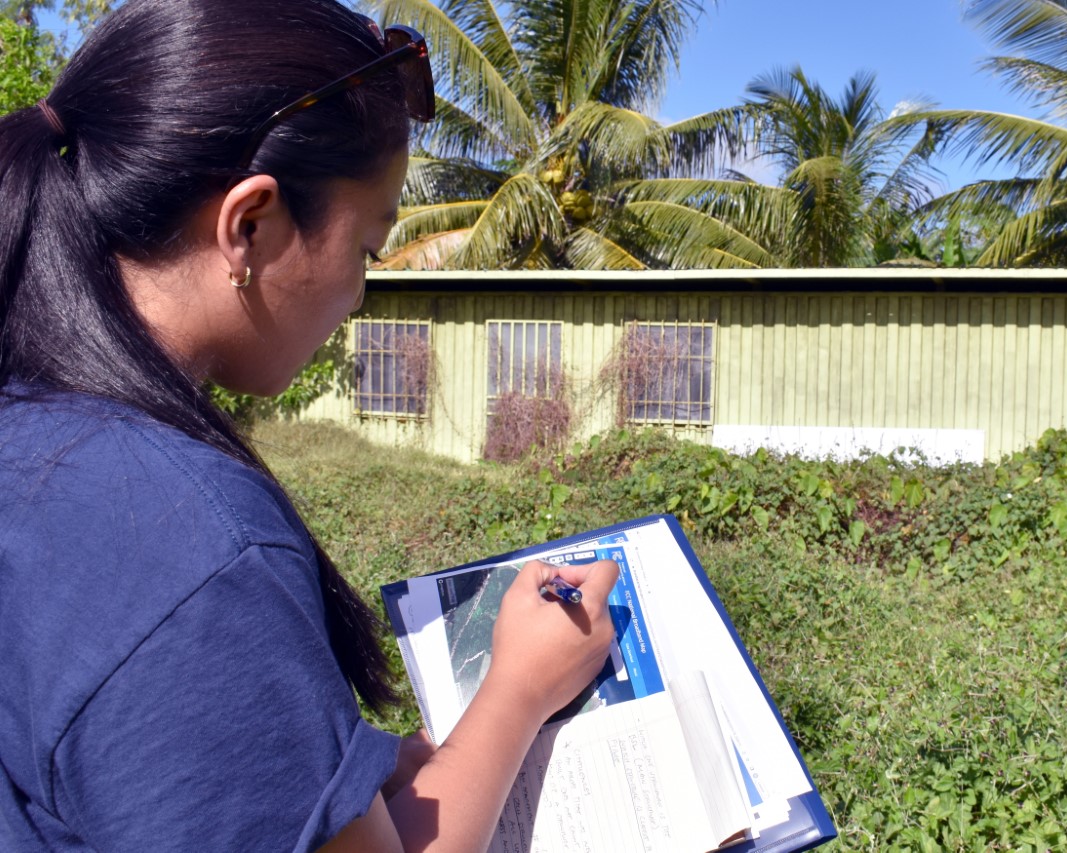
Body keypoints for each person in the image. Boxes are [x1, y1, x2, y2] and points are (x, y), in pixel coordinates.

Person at [0, 1, 619, 850]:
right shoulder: (191, 556)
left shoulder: (30, 426)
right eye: (367, 248)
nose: (361, 294)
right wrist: (518, 688)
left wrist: (325, 773)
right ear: (249, 225)